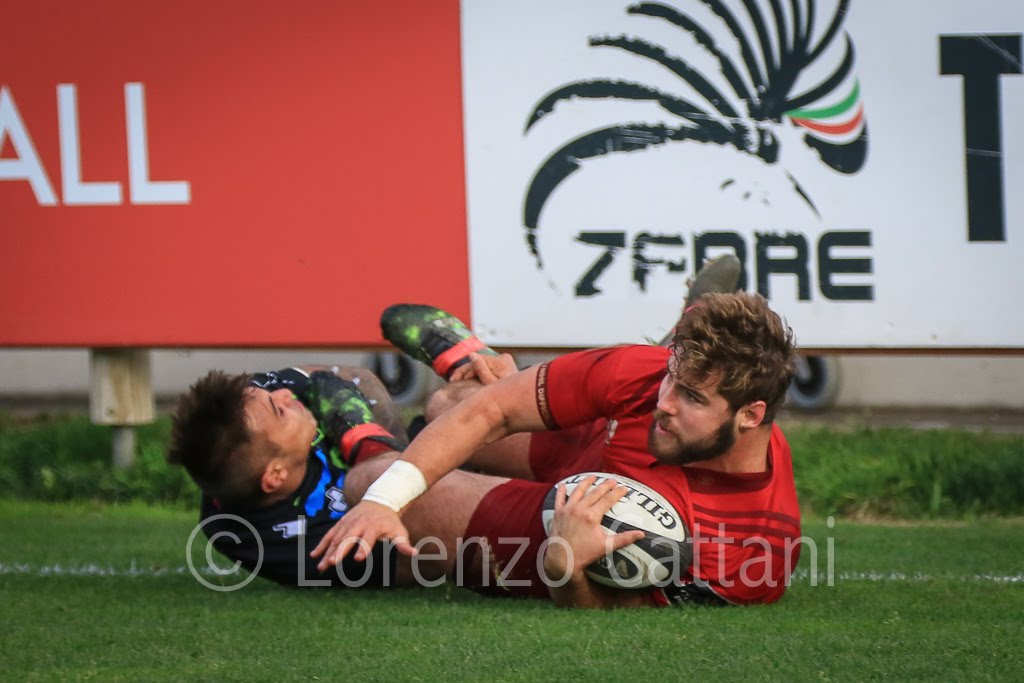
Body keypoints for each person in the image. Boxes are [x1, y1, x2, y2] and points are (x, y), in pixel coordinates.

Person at [313, 279, 803, 607]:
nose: (665, 401)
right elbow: (493, 412)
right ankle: (481, 363)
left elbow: (619, 612)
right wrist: (385, 503)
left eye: (692, 396)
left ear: (751, 415)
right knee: (451, 405)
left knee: (368, 481)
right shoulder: (647, 374)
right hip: (607, 448)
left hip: (573, 519)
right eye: (671, 377)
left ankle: (366, 436)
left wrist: (567, 570)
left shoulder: (750, 551)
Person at [167, 364, 413, 587]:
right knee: (372, 479)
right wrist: (371, 447)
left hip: (400, 450)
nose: (286, 395)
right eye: (280, 411)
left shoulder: (246, 409)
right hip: (409, 511)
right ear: (275, 475)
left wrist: (372, 442)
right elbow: (414, 556)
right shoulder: (305, 547)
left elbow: (349, 376)